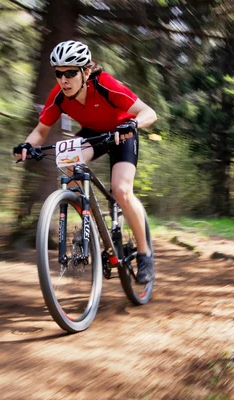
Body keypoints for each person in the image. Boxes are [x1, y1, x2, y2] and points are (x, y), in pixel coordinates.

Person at [13, 40, 157, 284]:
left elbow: (149, 113)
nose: (64, 80)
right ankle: (89, 225)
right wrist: (27, 145)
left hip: (122, 133)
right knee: (68, 167)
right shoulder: (58, 96)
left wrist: (132, 123)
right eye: (59, 74)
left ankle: (144, 254)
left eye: (70, 73)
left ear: (86, 71)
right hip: (94, 134)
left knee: (121, 190)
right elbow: (40, 131)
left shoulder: (106, 85)